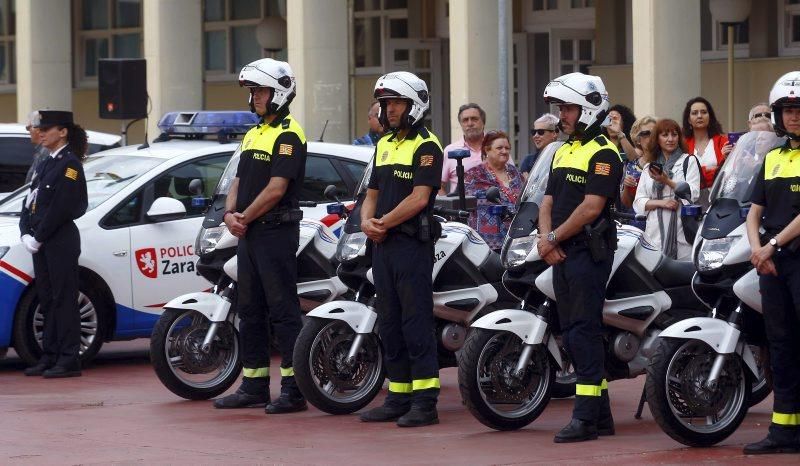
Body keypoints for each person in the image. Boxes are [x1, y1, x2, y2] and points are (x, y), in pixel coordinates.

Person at [213, 58, 308, 414]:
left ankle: (294, 389)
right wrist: (229, 215)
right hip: (250, 233)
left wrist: (243, 218)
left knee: (283, 311)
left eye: (261, 91)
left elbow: (276, 188)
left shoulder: (289, 134)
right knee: (250, 309)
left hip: (276, 232)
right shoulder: (254, 134)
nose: (254, 98)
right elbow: (238, 181)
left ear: (280, 93)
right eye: (252, 92)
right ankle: (253, 386)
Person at [538, 72, 624, 443]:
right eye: (560, 109)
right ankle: (602, 418)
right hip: (560, 252)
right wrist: (545, 239)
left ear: (589, 108)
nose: (563, 116)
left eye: (568, 108)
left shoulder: (605, 153)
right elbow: (547, 201)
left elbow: (591, 208)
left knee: (583, 333)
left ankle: (586, 419)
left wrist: (554, 237)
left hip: (588, 253)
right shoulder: (562, 150)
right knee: (571, 333)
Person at [359, 71, 443, 427]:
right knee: (389, 321)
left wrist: (383, 223)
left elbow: (419, 197)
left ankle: (425, 403)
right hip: (383, 244)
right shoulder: (384, 144)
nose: (388, 109)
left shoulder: (427, 146)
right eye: (385, 103)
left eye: (394, 102)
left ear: (414, 104)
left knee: (415, 322)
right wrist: (367, 221)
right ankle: (398, 395)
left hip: (411, 245)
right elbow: (372, 192)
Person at [743, 71, 800, 455]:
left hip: (791, 256)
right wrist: (757, 249)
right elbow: (753, 211)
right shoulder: (773, 157)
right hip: (772, 262)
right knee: (780, 346)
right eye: (788, 110)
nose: (794, 116)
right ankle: (784, 431)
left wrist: (771, 245)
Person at [20, 110, 88, 378]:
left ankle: (69, 359)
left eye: (48, 128)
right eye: (41, 128)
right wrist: (25, 230)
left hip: (59, 240)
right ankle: (49, 355)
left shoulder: (70, 165)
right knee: (47, 299)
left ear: (63, 132)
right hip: (42, 240)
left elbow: (63, 207)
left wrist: (39, 236)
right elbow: (30, 200)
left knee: (64, 299)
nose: (42, 132)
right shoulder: (46, 163)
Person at [632, 119, 701, 260]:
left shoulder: (689, 161)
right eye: (665, 135)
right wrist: (661, 203)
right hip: (655, 232)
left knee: (683, 273)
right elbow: (638, 202)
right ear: (657, 138)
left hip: (682, 229)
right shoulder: (649, 167)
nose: (670, 139)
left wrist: (666, 181)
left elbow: (693, 194)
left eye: (674, 135)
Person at [464, 130, 524, 250]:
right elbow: (468, 203)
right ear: (487, 150)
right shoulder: (474, 174)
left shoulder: (515, 172)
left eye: (507, 148)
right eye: (499, 148)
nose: (504, 151)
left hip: (517, 238)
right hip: (487, 242)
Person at [682, 97, 729, 204]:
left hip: (719, 199)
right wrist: (712, 170)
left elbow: (725, 173)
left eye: (704, 112)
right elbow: (682, 177)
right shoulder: (683, 145)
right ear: (689, 119)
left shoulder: (723, 141)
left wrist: (697, 173)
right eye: (694, 113)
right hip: (691, 201)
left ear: (710, 117)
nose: (699, 116)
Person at [439, 103, 486, 194]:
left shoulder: (496, 147)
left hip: (493, 207)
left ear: (483, 122)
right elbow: (438, 185)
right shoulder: (450, 151)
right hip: (461, 207)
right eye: (465, 120)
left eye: (474, 119)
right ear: (461, 124)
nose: (470, 123)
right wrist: (448, 206)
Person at [620, 115, 656, 210]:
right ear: (638, 140)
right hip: (636, 220)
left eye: (655, 132)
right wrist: (627, 187)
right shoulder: (632, 166)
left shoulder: (667, 160)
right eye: (646, 133)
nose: (652, 136)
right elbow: (627, 204)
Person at [520, 113, 559, 179]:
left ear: (554, 134)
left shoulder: (564, 158)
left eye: (541, 132)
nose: (536, 136)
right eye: (533, 132)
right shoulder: (528, 161)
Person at [24, 111, 50, 184]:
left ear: (38, 129)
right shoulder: (41, 151)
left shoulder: (46, 151)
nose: (28, 130)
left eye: (29, 127)